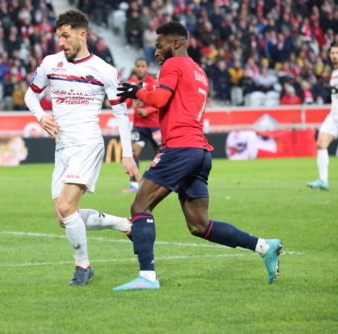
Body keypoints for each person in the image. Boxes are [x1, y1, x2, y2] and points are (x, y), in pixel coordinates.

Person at [113, 22, 282, 290]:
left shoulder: (173, 65)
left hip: (180, 146)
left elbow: (158, 99)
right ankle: (264, 247)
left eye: (159, 46)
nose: (156, 52)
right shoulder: (200, 71)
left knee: (140, 207)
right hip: (200, 151)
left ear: (175, 43)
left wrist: (136, 91)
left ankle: (147, 277)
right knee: (199, 225)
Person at [24, 10, 139, 286]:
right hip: (62, 147)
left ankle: (83, 265)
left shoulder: (103, 70)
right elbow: (31, 94)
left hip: (88, 143)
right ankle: (123, 224)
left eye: (66, 36)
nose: (61, 42)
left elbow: (121, 113)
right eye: (58, 36)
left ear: (82, 34)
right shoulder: (51, 63)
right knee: (65, 218)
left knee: (66, 206)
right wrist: (40, 116)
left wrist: (127, 154)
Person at [122, 58, 161, 193]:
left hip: (154, 125)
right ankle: (134, 184)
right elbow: (128, 103)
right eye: (138, 66)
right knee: (134, 151)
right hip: (139, 125)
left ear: (147, 68)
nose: (140, 69)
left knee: (160, 154)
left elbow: (159, 103)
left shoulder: (152, 83)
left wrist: (148, 110)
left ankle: (161, 182)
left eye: (143, 66)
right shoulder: (131, 82)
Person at [307, 43, 338, 190]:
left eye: (337, 53)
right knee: (321, 143)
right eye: (332, 53)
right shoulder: (334, 72)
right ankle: (323, 180)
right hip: (334, 115)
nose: (334, 56)